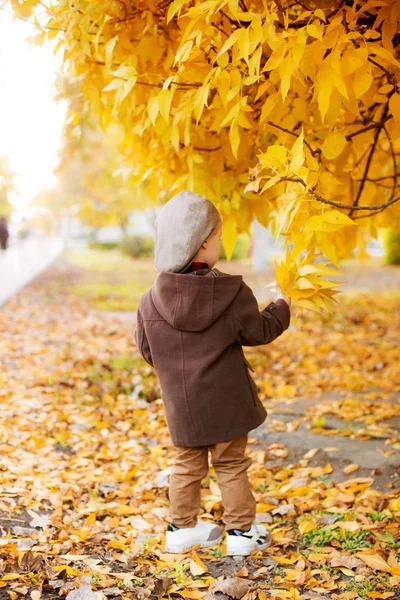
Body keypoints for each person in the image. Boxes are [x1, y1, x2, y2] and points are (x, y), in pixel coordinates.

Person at [134, 191, 291, 556]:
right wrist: (283, 306)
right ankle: (240, 533)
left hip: (182, 404)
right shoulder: (230, 292)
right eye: (218, 237)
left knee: (186, 464)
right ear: (203, 242)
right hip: (227, 402)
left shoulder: (148, 301)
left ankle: (181, 527)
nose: (220, 243)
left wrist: (176, 371)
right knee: (231, 463)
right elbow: (259, 331)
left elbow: (146, 350)